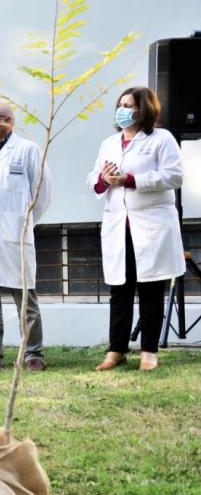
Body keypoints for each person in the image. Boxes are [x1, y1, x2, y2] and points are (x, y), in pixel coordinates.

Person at [89, 87, 184, 372]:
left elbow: (174, 176)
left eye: (129, 105)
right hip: (119, 225)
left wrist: (130, 179)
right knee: (119, 289)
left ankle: (149, 351)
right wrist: (105, 179)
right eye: (120, 104)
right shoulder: (109, 142)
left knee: (150, 289)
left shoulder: (161, 139)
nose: (123, 109)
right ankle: (116, 349)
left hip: (150, 226)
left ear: (144, 109)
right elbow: (95, 178)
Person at [0, 102, 52, 371]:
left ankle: (33, 354)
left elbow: (42, 193)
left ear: (7, 121)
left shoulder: (27, 150)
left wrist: (24, 223)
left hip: (14, 234)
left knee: (25, 298)